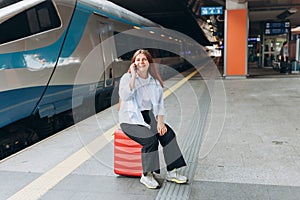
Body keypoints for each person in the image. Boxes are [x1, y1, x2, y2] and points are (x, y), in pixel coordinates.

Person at [118, 49, 188, 189]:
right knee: (150, 139)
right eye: (137, 60)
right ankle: (147, 175)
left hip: (149, 116)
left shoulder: (154, 81)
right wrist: (132, 76)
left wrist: (160, 122)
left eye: (144, 59)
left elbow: (159, 104)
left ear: (149, 63)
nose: (141, 62)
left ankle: (172, 172)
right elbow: (125, 96)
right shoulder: (126, 78)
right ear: (134, 63)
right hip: (130, 119)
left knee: (168, 134)